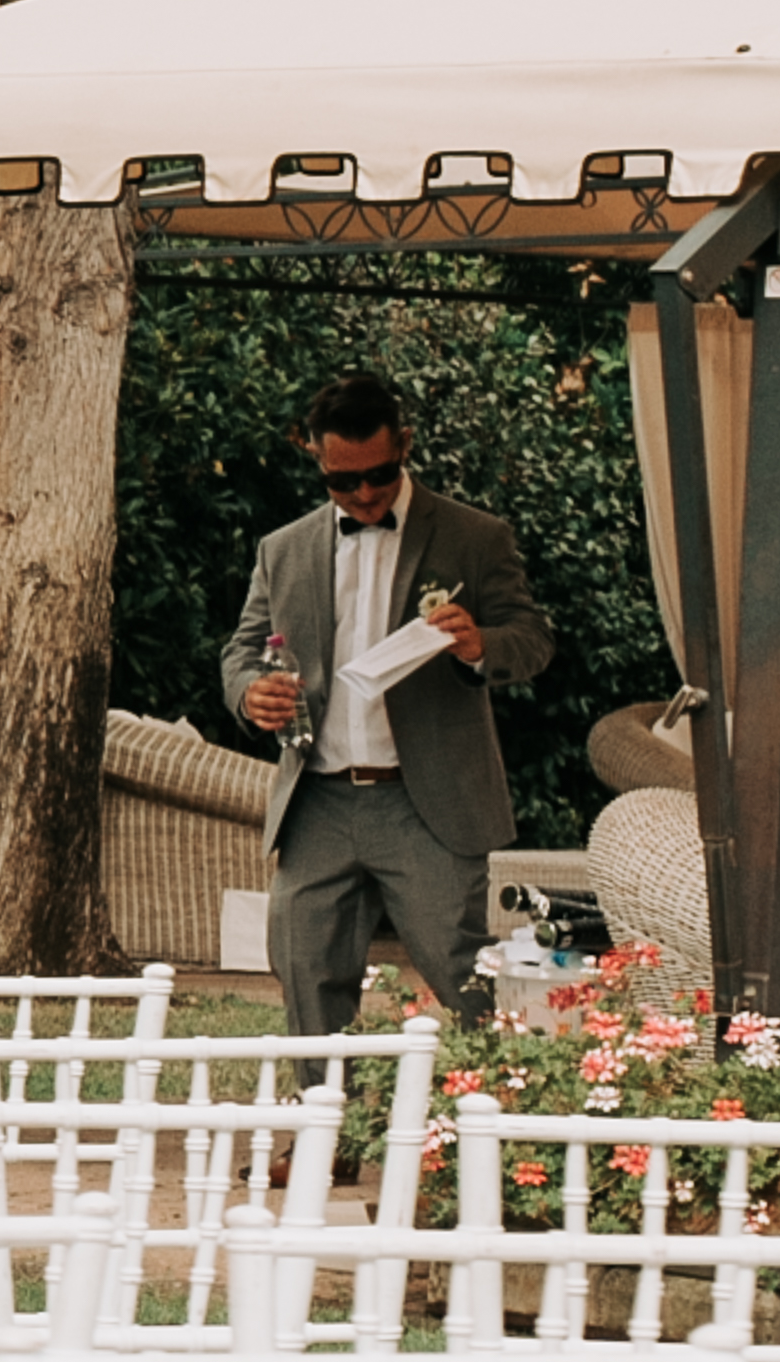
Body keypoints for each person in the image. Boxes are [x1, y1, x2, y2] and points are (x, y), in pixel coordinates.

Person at [215, 371, 548, 1033]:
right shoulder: (282, 549)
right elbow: (241, 651)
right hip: (318, 800)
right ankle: (323, 1100)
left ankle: (497, 1095)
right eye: (343, 481)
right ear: (315, 455)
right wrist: (250, 693)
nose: (365, 494)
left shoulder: (473, 536)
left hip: (427, 802)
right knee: (303, 970)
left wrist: (479, 645)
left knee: (463, 975)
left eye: (380, 474)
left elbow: (533, 639)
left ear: (405, 445)